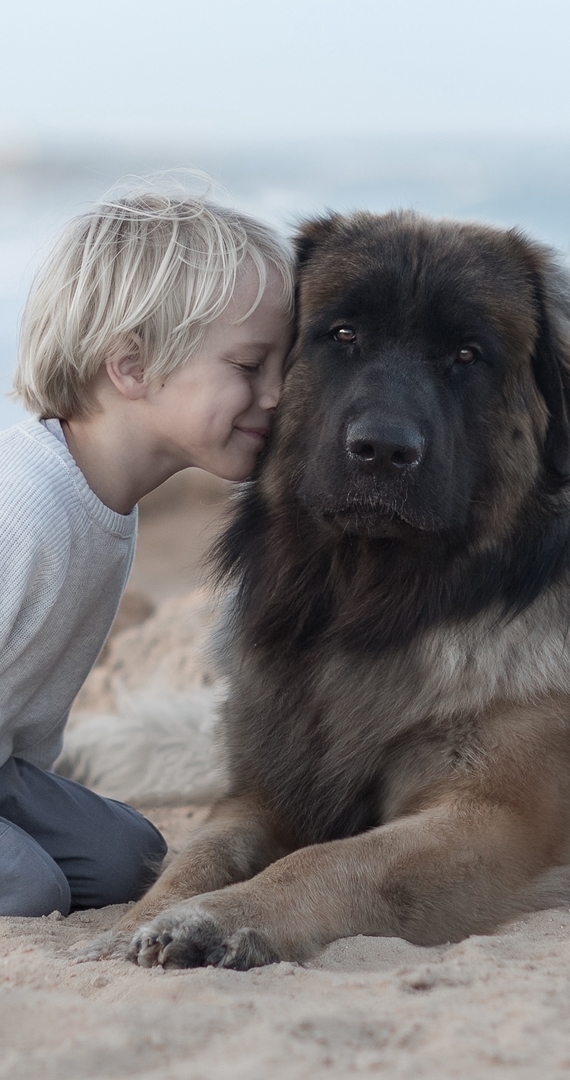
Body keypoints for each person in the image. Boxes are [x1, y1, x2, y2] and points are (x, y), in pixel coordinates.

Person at [0, 185, 294, 916]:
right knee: (32, 888)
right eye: (249, 366)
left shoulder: (104, 499)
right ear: (131, 366)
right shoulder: (28, 507)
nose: (278, 395)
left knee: (131, 858)